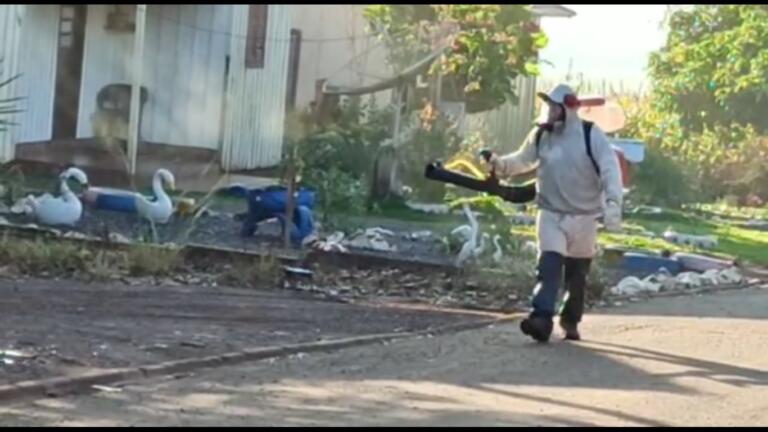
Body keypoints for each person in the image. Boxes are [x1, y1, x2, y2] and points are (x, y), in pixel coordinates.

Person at [485, 84, 624, 342]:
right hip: (550, 211)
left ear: (567, 108)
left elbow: (609, 170)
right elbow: (522, 160)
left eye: (553, 107)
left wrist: (613, 204)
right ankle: (541, 319)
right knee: (548, 266)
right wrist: (499, 164)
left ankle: (570, 320)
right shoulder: (541, 135)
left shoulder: (590, 135)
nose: (549, 112)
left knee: (577, 275)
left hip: (584, 216)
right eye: (547, 107)